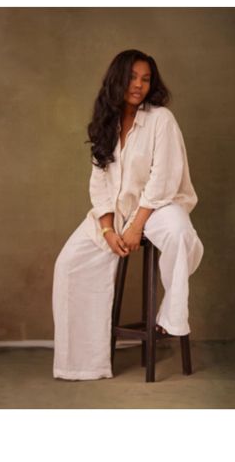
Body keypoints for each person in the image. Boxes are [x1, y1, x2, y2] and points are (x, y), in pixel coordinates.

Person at [52, 49, 204, 380]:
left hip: (159, 205)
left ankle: (171, 318)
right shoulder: (105, 122)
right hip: (116, 213)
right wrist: (108, 230)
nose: (139, 85)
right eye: (133, 77)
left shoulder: (161, 119)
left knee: (180, 233)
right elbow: (99, 182)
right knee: (67, 264)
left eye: (146, 79)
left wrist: (137, 227)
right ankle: (82, 363)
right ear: (117, 79)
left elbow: (163, 178)